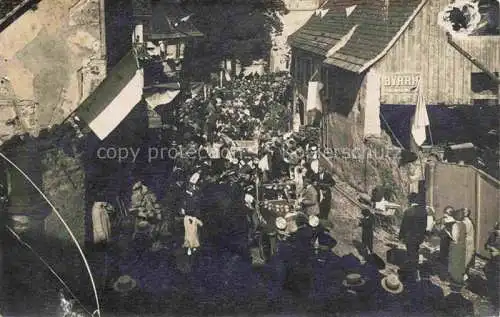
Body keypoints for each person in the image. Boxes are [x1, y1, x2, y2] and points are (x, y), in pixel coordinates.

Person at [398, 192, 427, 279]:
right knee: (415, 252)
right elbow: (424, 226)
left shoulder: (409, 211)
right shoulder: (423, 211)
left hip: (410, 236)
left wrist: (401, 236)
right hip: (419, 237)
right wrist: (422, 236)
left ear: (410, 200)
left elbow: (404, 225)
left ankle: (413, 273)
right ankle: (416, 271)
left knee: (410, 253)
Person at [448, 208, 466, 286]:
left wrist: (449, 234)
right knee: (460, 261)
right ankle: (459, 278)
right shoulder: (463, 224)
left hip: (456, 246)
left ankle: (455, 280)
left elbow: (455, 238)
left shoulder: (455, 225)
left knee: (455, 262)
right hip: (462, 245)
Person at [484, 222, 500, 311]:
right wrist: (489, 247)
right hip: (493, 262)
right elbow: (486, 245)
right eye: (497, 231)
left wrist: (498, 252)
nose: (498, 234)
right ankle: (493, 299)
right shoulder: (493, 235)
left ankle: (497, 305)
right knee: (487, 271)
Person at [462, 208, 475, 277]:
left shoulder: (467, 222)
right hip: (466, 243)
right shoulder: (465, 221)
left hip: (467, 244)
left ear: (467, 213)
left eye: (464, 212)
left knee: (465, 261)